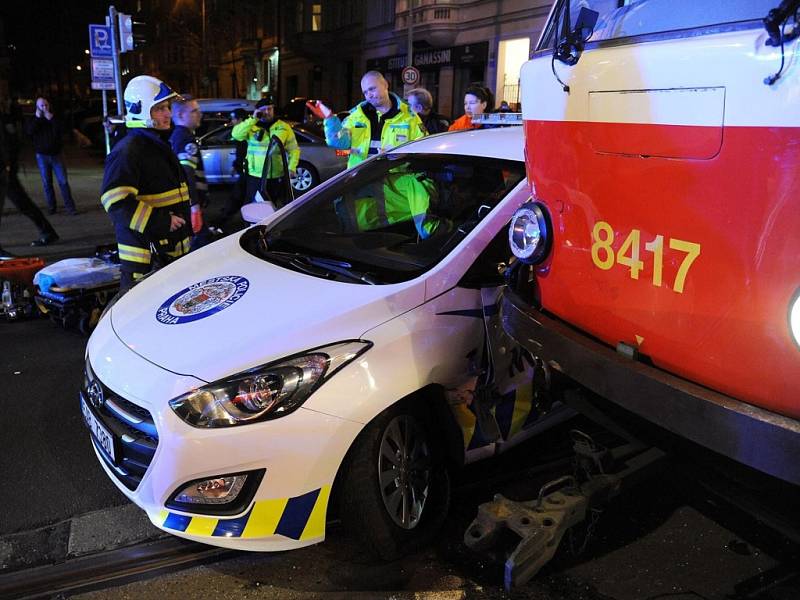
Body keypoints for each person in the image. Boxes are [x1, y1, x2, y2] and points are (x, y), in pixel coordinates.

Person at [100, 75, 192, 291]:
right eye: (160, 108)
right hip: (145, 262)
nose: (168, 113)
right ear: (142, 110)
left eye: (167, 106)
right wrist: (160, 222)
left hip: (166, 254)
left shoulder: (155, 144)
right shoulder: (128, 151)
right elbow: (115, 201)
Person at [307, 71, 427, 169]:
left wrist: (405, 154)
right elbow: (338, 143)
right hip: (361, 183)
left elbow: (424, 147)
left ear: (385, 84)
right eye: (365, 92)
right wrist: (330, 119)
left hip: (397, 187)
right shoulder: (355, 116)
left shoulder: (409, 116)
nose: (369, 94)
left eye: (372, 89)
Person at [0, 105, 59, 255]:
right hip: (6, 170)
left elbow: (8, 144)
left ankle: (48, 232)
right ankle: (48, 232)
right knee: (23, 203)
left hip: (4, 171)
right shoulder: (6, 119)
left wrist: (8, 165)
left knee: (23, 203)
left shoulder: (5, 120)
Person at [231, 96, 299, 206]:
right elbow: (236, 134)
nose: (267, 112)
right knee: (257, 207)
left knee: (280, 208)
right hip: (256, 177)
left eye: (270, 109)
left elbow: (294, 150)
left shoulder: (283, 127)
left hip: (278, 176)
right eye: (263, 109)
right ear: (258, 111)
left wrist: (292, 168)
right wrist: (253, 119)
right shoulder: (251, 126)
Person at [25, 97, 78, 215]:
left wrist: (52, 119)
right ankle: (51, 207)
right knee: (47, 183)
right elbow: (29, 132)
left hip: (56, 154)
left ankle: (70, 207)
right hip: (42, 156)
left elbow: (63, 129)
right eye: (41, 106)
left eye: (46, 105)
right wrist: (38, 119)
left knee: (63, 182)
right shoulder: (33, 119)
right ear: (37, 107)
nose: (44, 108)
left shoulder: (55, 117)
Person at [169, 96, 206, 244]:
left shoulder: (178, 136)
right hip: (189, 204)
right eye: (194, 111)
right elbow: (187, 174)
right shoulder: (185, 139)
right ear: (180, 115)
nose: (199, 114)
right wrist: (194, 206)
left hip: (187, 203)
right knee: (201, 243)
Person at [220, 108, 249, 223]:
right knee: (240, 194)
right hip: (245, 169)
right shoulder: (241, 131)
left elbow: (243, 153)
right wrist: (235, 166)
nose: (232, 121)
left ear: (240, 119)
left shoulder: (244, 133)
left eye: (233, 119)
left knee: (238, 195)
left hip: (248, 170)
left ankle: (224, 218)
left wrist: (238, 165)